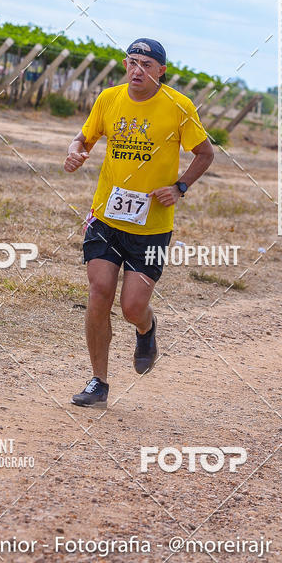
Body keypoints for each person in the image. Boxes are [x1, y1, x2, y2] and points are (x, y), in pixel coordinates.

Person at [64, 38, 214, 407]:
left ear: (161, 71)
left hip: (152, 227)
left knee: (132, 307)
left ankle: (146, 329)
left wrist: (179, 187)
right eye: (132, 62)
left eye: (146, 65)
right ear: (125, 65)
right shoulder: (109, 98)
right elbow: (83, 138)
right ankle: (98, 381)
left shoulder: (179, 106)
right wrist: (75, 152)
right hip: (105, 217)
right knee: (99, 292)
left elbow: (205, 153)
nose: (138, 70)